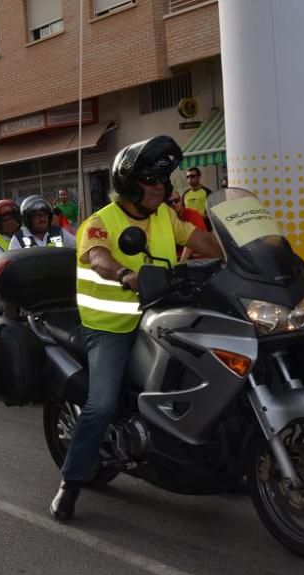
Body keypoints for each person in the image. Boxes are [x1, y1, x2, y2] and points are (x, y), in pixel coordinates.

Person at [51, 135, 222, 522]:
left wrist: (241, 259)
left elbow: (200, 240)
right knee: (102, 404)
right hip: (111, 328)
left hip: (161, 319)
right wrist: (126, 274)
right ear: (129, 183)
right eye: (150, 179)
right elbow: (98, 259)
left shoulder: (165, 216)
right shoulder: (99, 223)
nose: (160, 187)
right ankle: (71, 483)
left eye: (163, 179)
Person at [9, 195, 77, 250]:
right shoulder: (18, 238)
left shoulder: (58, 232)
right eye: (36, 215)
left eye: (45, 214)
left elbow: (78, 245)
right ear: (28, 219)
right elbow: (12, 262)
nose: (42, 218)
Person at [167, 194, 210, 261]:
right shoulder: (169, 218)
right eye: (170, 203)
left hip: (198, 258)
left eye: (176, 200)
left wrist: (181, 264)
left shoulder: (192, 214)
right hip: (179, 258)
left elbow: (191, 239)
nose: (174, 204)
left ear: (181, 200)